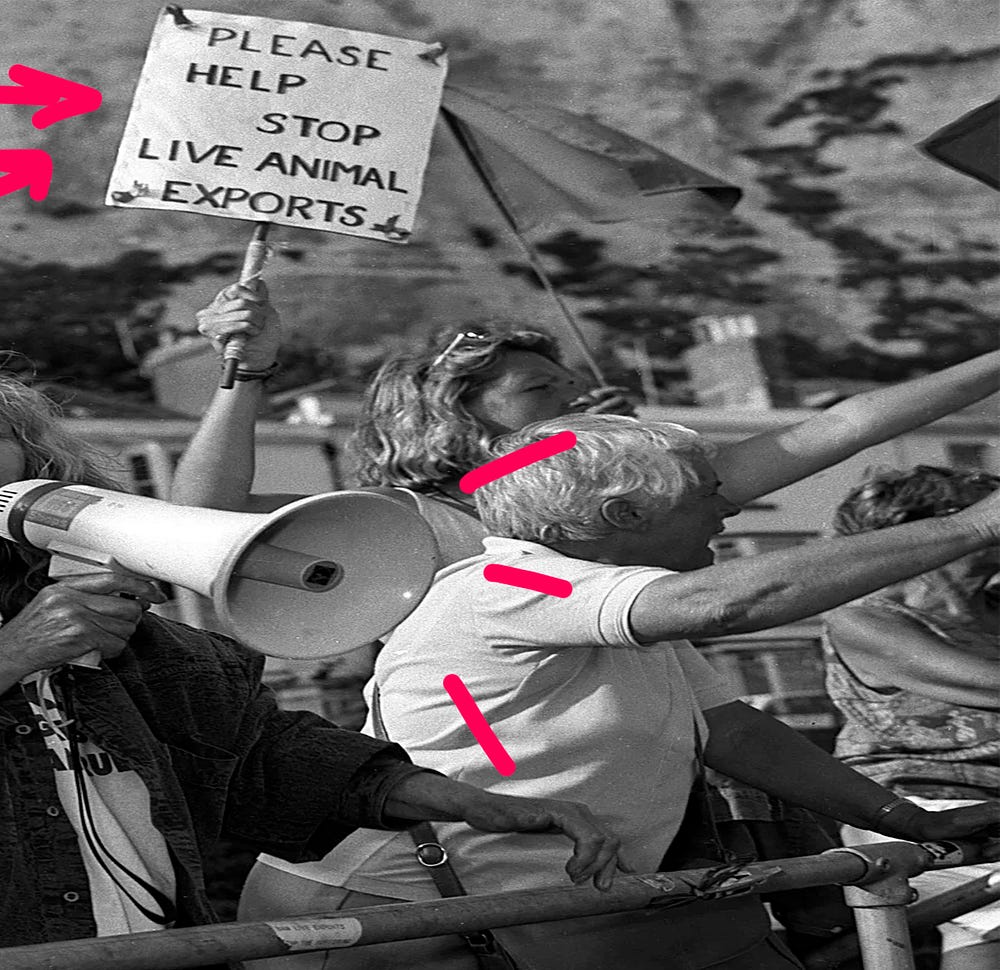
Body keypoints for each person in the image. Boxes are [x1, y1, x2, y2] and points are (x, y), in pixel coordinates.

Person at [0, 354, 625, 970]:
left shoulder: (82, 603)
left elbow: (256, 757)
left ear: (29, 464)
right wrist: (9, 658)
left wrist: (470, 801)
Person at [237, 415, 1000, 970]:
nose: (728, 508)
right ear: (621, 516)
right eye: (707, 493)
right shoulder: (509, 579)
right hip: (386, 917)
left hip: (521, 901)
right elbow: (727, 604)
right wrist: (972, 528)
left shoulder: (600, 605)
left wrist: (896, 817)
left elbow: (735, 734)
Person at [173, 280, 1000, 570]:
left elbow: (839, 426)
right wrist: (246, 372)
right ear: (451, 419)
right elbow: (198, 525)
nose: (575, 402)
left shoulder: (642, 496)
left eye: (573, 387)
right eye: (542, 391)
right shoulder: (412, 521)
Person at [824, 465, 1000, 970]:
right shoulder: (862, 614)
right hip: (914, 811)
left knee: (983, 931)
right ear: (934, 526)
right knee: (987, 920)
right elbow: (988, 682)